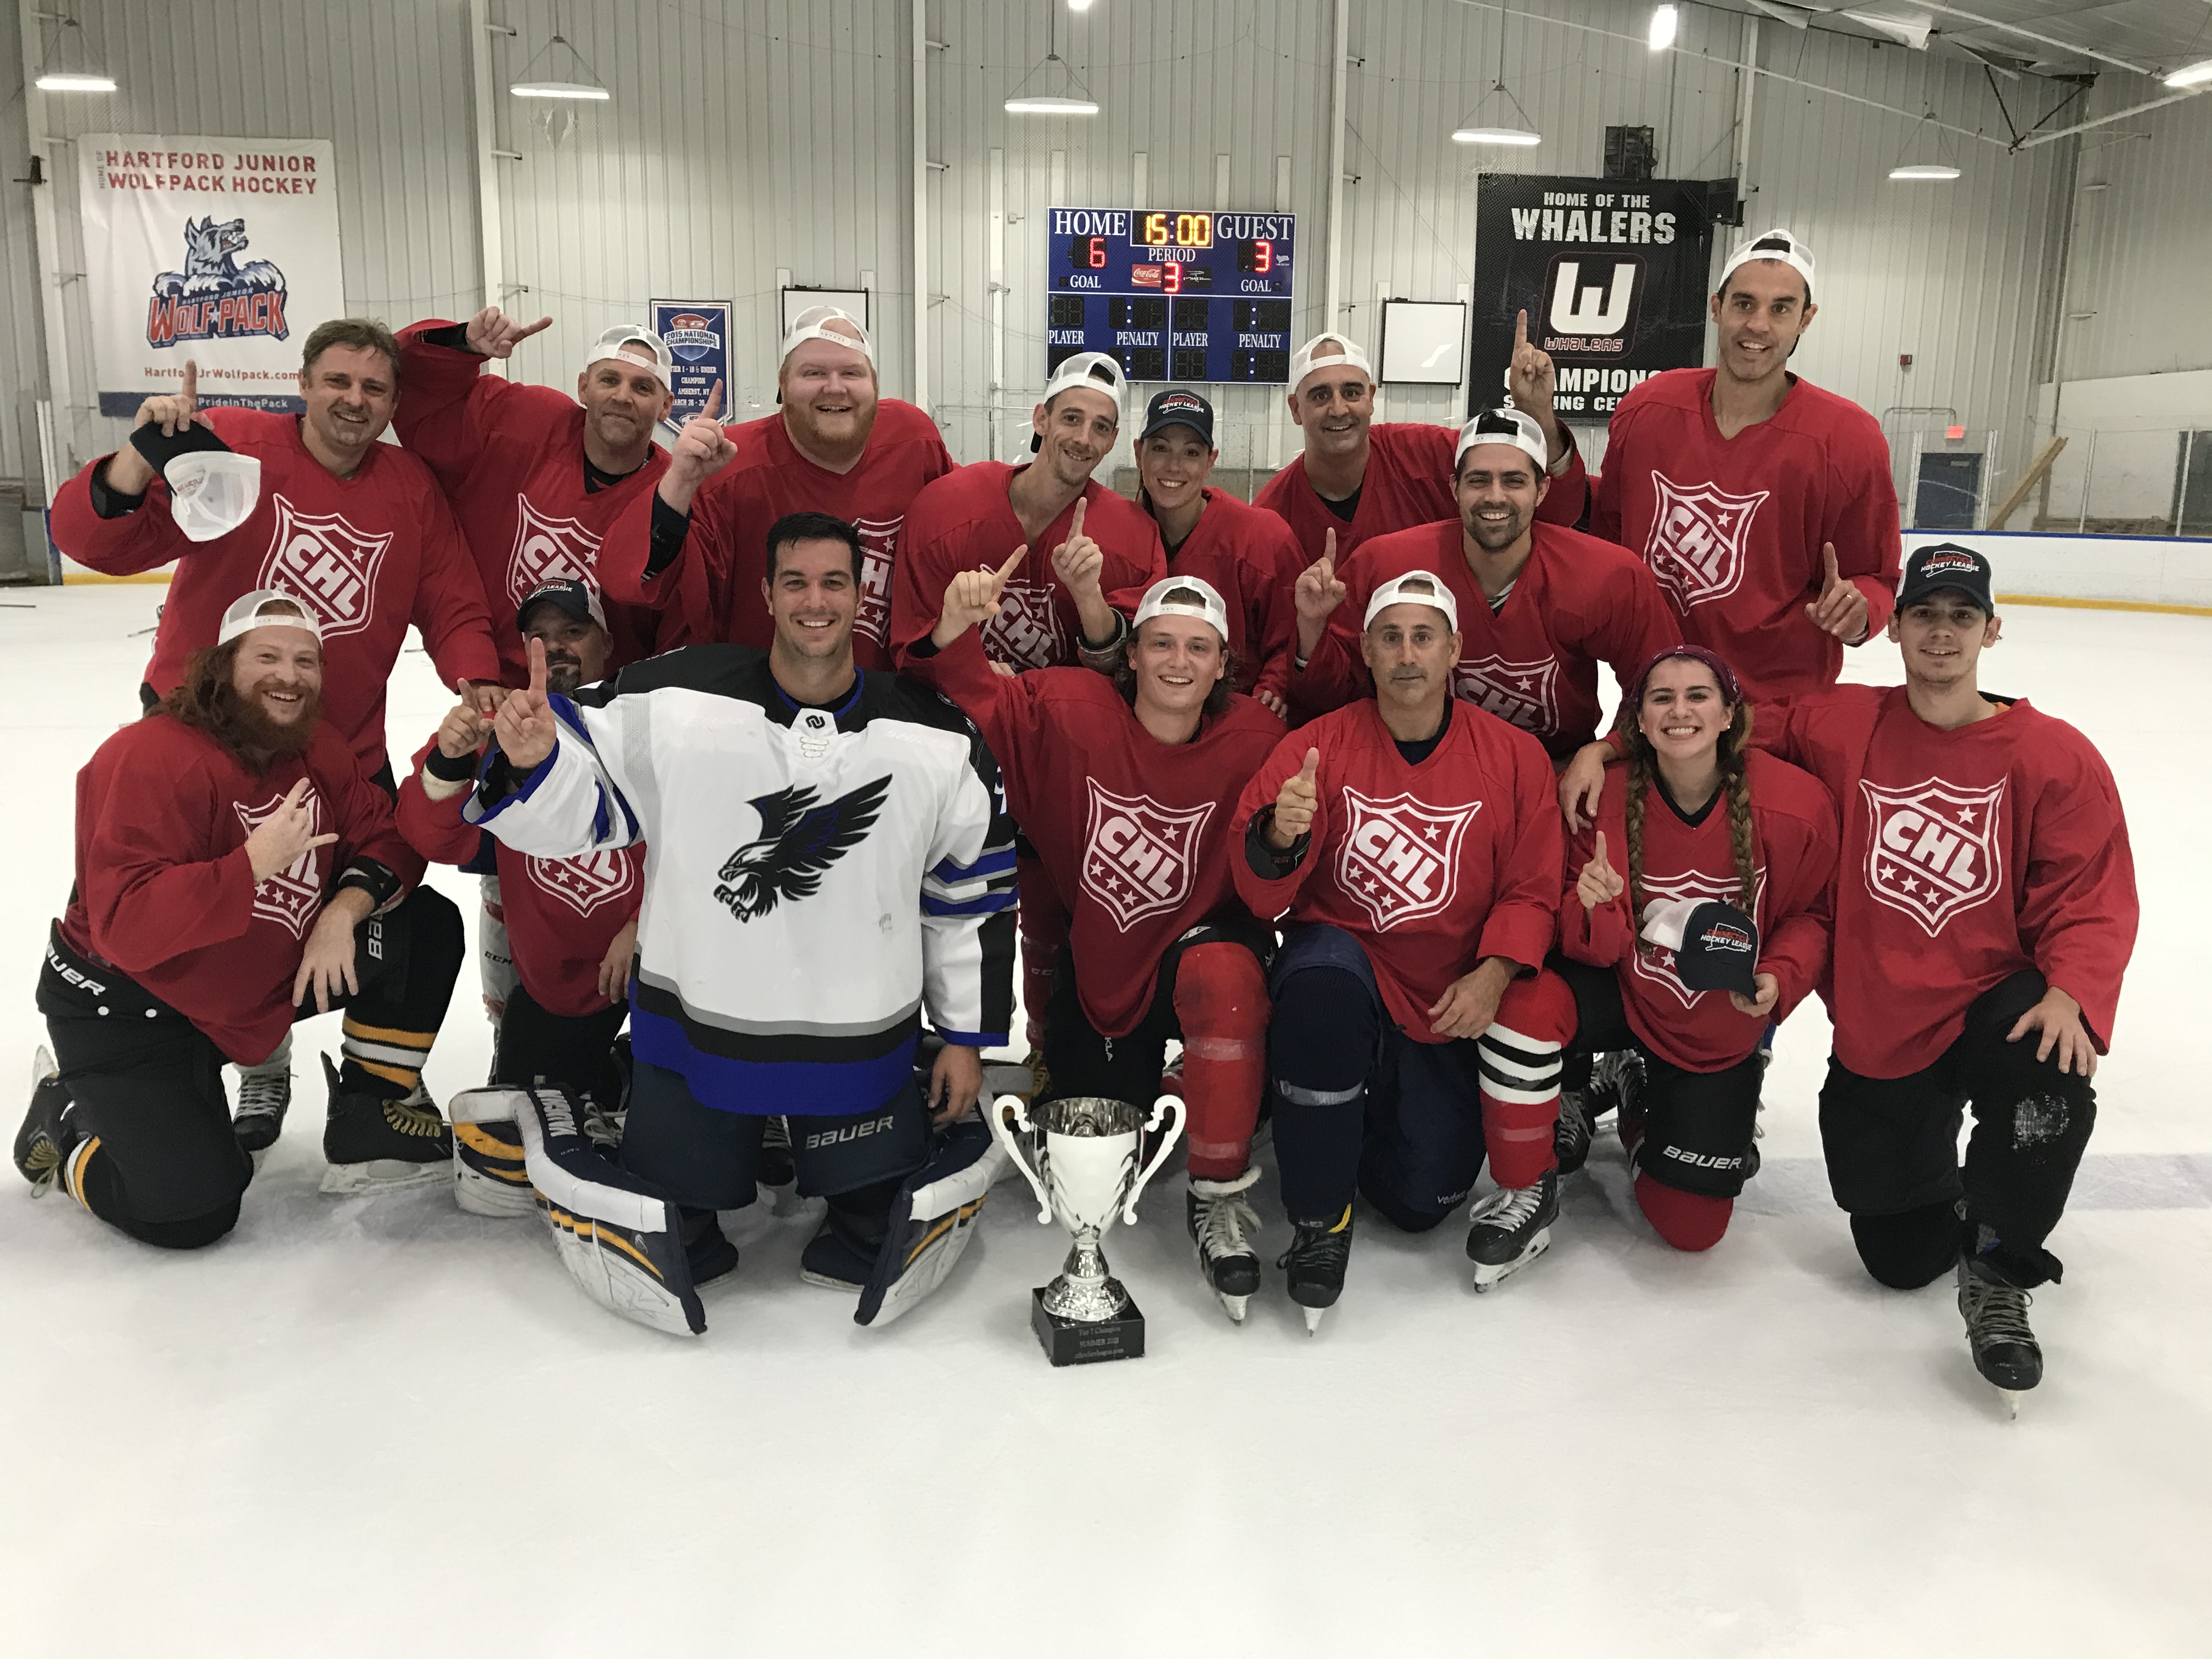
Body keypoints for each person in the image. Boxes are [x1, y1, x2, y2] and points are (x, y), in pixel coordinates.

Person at [459, 510, 1018, 1334]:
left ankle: (841, 1173)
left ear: (860, 595)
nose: (815, 601)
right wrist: (538, 757)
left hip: (859, 1048)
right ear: (767, 593)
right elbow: (582, 802)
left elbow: (968, 895)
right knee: (678, 1233)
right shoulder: (677, 699)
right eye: (796, 583)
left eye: (833, 583)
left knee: (872, 1230)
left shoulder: (933, 734)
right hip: (698, 1042)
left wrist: (964, 1038)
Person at [1764, 543, 2136, 1405]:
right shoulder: (1840, 722)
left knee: (2049, 1069)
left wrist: (2071, 992)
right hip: (1883, 1018)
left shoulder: (2053, 755)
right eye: (1925, 615)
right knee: (1900, 1261)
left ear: (1992, 631)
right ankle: (1963, 1198)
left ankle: (2001, 1268)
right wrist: (1610, 752)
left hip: (1994, 999)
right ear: (1893, 628)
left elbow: (2090, 893)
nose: (1943, 632)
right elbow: (1715, 725)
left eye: (1962, 616)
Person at [14, 594, 467, 1245]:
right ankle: (62, 1122)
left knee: (423, 926)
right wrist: (249, 866)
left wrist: (345, 908)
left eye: (306, 661)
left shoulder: (315, 747)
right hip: (134, 1009)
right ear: (223, 666)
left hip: (249, 981)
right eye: (269, 657)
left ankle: (371, 1115)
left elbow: (388, 835)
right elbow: (126, 925)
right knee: (193, 1211)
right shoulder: (147, 756)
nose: (290, 676)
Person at [910, 565, 1285, 1322]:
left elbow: (1289, 856)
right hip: (1106, 951)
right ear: (1132, 654)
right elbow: (971, 692)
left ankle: (1218, 1192)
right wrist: (955, 626)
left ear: (1222, 665)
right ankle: (1164, 1083)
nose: (1178, 661)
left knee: (1226, 978)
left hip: (1199, 948)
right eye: (1162, 644)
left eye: (1198, 648)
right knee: (1096, 1133)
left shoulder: (1257, 739)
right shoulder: (1069, 708)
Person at [1232, 573, 1574, 1330]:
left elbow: (1533, 888)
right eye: (1391, 637)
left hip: (1446, 998)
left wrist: (1494, 973)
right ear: (1367, 651)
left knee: (1420, 1202)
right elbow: (1259, 894)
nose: (1407, 654)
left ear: (1455, 650)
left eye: (1424, 637)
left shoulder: (1514, 757)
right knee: (1318, 983)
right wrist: (1278, 835)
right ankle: (1319, 1221)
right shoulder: (1316, 747)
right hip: (1349, 971)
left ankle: (1335, 1118)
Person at [1525, 232, 1903, 819]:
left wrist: (1858, 615)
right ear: (1716, 307)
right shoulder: (1649, 408)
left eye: (1781, 308)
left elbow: (1876, 578)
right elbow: (1607, 535)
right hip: (1656, 708)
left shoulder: (1848, 439)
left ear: (1806, 319)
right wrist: (1543, 424)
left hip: (1776, 719)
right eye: (1744, 303)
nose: (1758, 325)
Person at [49, 323, 503, 786]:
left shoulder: (412, 488)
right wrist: (140, 456)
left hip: (341, 751)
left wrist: (478, 677)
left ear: (394, 402)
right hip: (202, 736)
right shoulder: (233, 445)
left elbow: (451, 601)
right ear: (303, 384)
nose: (355, 399)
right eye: (337, 381)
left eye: (373, 388)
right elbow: (95, 545)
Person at [888, 350, 1166, 1075]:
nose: (1083, 437)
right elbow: (908, 653)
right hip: (955, 747)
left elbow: (1131, 675)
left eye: (1100, 427)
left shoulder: (1131, 534)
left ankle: (1048, 1055)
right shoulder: (948, 506)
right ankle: (915, 1047)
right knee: (931, 902)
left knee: (1049, 912)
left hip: (1058, 756)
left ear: (1114, 442)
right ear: (1040, 419)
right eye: (1071, 418)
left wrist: (1090, 601)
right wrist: (956, 632)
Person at [1551, 646, 1837, 1251]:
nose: (1680, 711)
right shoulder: (1600, 798)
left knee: (1691, 1228)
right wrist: (1593, 908)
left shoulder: (1795, 805)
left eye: (1698, 696)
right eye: (1662, 698)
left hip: (1711, 1024)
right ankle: (1573, 1102)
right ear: (1639, 721)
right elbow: (1577, 938)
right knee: (1533, 997)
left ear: (1730, 713)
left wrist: (1781, 975)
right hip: (1621, 987)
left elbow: (1813, 914)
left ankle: (1638, 1106)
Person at [1287, 407, 1677, 749]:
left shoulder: (1606, 575)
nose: (1495, 496)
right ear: (1454, 488)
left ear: (1542, 490)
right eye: (1478, 480)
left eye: (1514, 481)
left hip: (1559, 766)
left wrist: (1607, 750)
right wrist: (1312, 627)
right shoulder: (1387, 565)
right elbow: (1333, 691)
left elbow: (1665, 683)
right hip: (1428, 767)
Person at [397, 579, 642, 1114]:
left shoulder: (649, 721)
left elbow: (707, 845)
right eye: (539, 636)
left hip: (656, 961)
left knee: (679, 1122)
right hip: (559, 980)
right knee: (526, 1113)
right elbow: (432, 838)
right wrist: (450, 760)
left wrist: (644, 924)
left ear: (607, 642)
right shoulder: (501, 731)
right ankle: (619, 1073)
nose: (554, 647)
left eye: (573, 632)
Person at [597, 306, 955, 667]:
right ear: (783, 385)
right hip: (758, 694)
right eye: (814, 373)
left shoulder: (915, 441)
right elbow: (626, 578)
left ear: (874, 385)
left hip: (890, 690)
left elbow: (962, 532)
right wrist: (680, 481)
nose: (835, 387)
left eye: (851, 372)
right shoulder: (727, 464)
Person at [394, 308, 674, 679]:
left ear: (666, 407)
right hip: (499, 687)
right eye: (609, 380)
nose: (623, 397)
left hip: (615, 698)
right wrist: (462, 344)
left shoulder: (674, 492)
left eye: (642, 388)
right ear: (583, 388)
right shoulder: (523, 422)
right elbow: (408, 385)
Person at [1252, 332, 1577, 573]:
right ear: (1296, 409)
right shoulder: (1272, 517)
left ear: (1371, 398)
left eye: (1351, 393)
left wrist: (1537, 414)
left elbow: (1559, 509)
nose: (1339, 409)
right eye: (1321, 396)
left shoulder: (1427, 453)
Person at [1130, 388, 1302, 715]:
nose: (1174, 465)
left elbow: (1291, 635)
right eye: (1161, 448)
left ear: (1211, 461)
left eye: (1191, 453)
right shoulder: (1120, 535)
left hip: (1235, 714)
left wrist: (1274, 685)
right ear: (1139, 453)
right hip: (1150, 714)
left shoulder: (1261, 537)